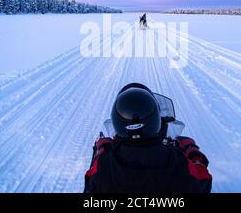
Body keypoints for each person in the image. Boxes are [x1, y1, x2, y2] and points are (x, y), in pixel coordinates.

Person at [84, 83, 212, 193]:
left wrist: (101, 151)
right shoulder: (180, 163)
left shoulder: (103, 167)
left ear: (117, 122)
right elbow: (204, 180)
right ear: (156, 120)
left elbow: (90, 186)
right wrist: (193, 152)